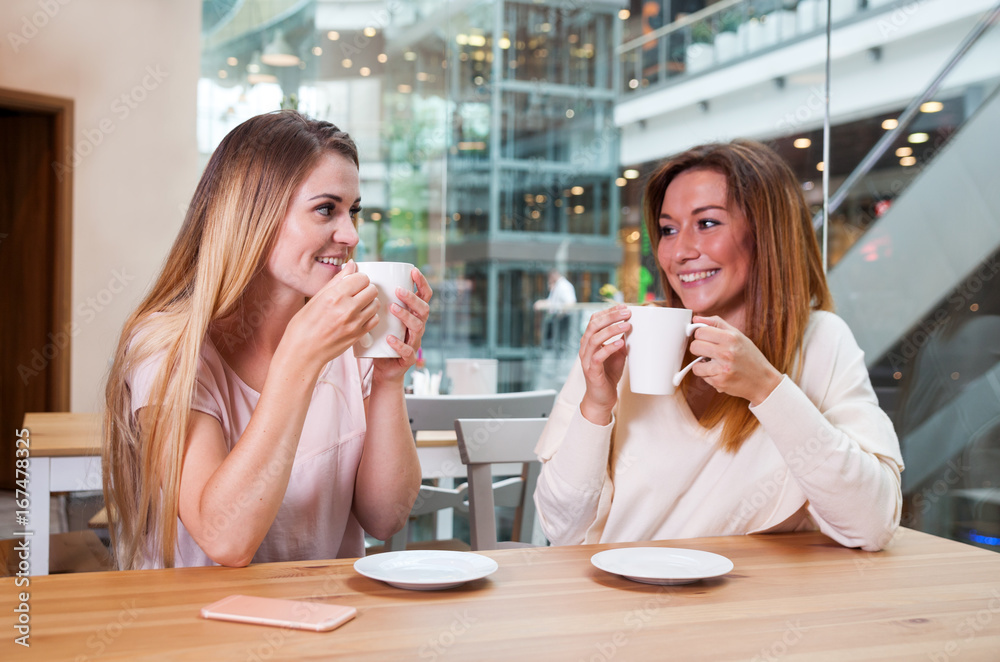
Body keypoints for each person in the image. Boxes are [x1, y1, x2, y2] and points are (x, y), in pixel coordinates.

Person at [534, 140, 904, 552]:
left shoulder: (821, 341)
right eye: (668, 229)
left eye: (707, 223)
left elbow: (871, 525)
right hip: (614, 600)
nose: (679, 252)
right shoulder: (627, 340)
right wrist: (596, 405)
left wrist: (767, 389)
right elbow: (560, 528)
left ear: (768, 234)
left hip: (747, 609)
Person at [102, 110, 431, 570]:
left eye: (353, 211)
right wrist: (298, 362)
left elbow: (385, 518)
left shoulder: (346, 340)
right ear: (253, 214)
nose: (351, 234)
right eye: (326, 209)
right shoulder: (168, 347)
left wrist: (389, 380)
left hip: (322, 622)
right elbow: (225, 540)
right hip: (195, 630)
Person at [535, 269, 577, 350]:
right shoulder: (557, 285)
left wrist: (559, 314)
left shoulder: (564, 286)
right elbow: (552, 301)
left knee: (561, 342)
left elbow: (570, 303)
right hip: (558, 318)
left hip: (563, 318)